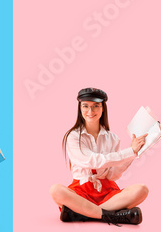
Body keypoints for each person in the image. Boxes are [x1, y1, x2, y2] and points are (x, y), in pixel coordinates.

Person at [48, 87, 148, 225]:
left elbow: (113, 175)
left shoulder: (112, 138)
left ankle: (82, 214)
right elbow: (92, 161)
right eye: (85, 106)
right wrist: (130, 151)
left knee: (142, 189)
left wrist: (134, 154)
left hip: (107, 192)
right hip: (80, 192)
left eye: (96, 106)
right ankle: (112, 215)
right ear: (80, 108)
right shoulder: (73, 136)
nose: (90, 111)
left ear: (103, 109)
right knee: (56, 190)